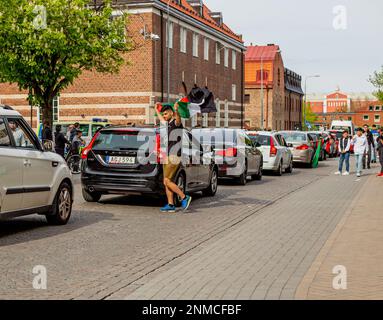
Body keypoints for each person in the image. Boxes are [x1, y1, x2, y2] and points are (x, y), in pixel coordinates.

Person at [156, 102, 192, 213]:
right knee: (167, 181)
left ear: (171, 113)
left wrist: (176, 110)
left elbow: (178, 118)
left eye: (166, 114)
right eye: (164, 114)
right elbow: (161, 118)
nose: (165, 116)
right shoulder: (166, 125)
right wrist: (156, 109)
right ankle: (171, 204)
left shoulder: (176, 124)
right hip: (166, 155)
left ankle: (184, 197)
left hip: (174, 155)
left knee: (167, 181)